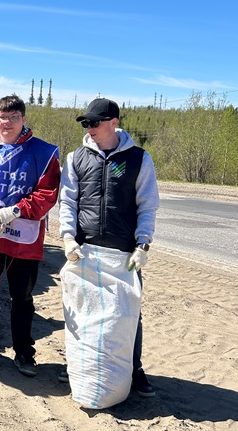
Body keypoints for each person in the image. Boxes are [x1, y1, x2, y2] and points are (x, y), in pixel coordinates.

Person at [58, 97, 160, 397]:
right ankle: (80, 366)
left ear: (114, 122)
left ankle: (134, 369)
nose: (89, 128)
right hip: (85, 250)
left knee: (127, 313)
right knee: (81, 311)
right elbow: (68, 201)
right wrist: (67, 237)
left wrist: (143, 244)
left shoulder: (139, 159)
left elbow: (148, 205)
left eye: (94, 123)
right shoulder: (76, 158)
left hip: (123, 253)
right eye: (86, 123)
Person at [0, 94, 60, 377]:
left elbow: (47, 194)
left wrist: (15, 211)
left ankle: (24, 352)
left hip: (23, 237)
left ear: (23, 119)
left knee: (21, 296)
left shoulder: (42, 153)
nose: (7, 123)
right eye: (3, 118)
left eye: (13, 118)